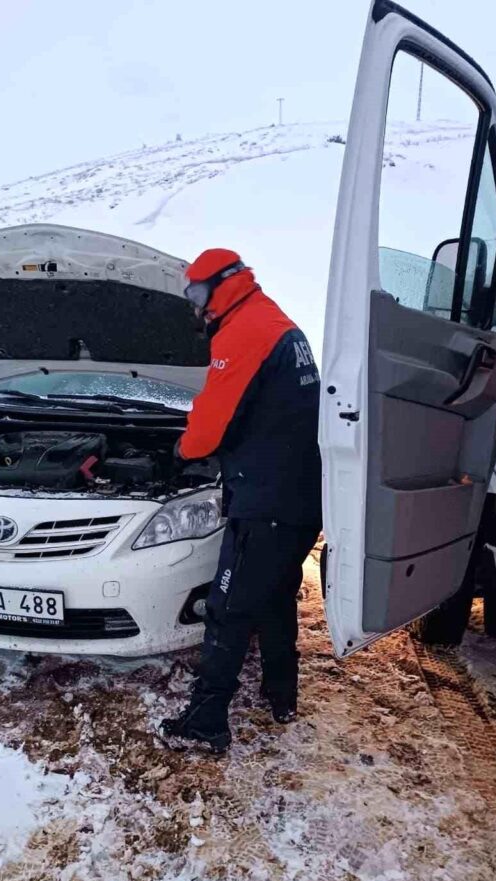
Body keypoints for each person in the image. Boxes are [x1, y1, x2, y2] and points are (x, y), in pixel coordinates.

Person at [160, 248, 322, 754]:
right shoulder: (276, 319)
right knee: (274, 596)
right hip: (299, 495)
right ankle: (282, 694)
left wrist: (179, 452)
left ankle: (206, 721)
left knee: (227, 609)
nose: (194, 306)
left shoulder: (244, 330)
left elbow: (208, 426)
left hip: (267, 500)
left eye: (194, 293)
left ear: (218, 286)